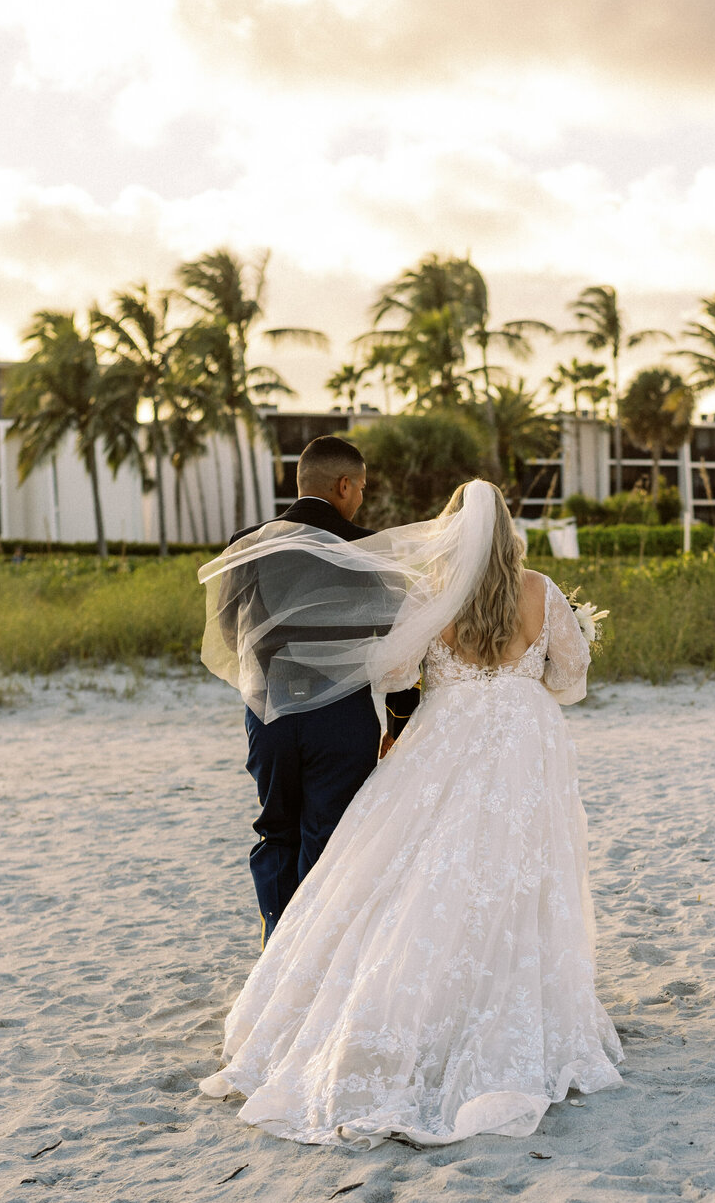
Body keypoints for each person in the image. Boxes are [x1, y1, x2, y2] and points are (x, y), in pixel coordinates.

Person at [198, 478, 623, 1147]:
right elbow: (571, 681)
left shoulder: (432, 595)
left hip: (445, 733)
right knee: (517, 871)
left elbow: (394, 673)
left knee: (416, 870)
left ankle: (412, 1010)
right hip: (525, 741)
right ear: (511, 530)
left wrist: (443, 684)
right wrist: (523, 680)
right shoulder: (542, 592)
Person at [216, 435, 419, 944]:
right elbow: (399, 641)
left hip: (271, 712)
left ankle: (275, 943)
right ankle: (316, 953)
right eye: (362, 488)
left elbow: (226, 629)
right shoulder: (367, 550)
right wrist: (399, 717)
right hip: (342, 715)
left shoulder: (248, 542)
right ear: (343, 485)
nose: (362, 500)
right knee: (330, 837)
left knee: (275, 828)